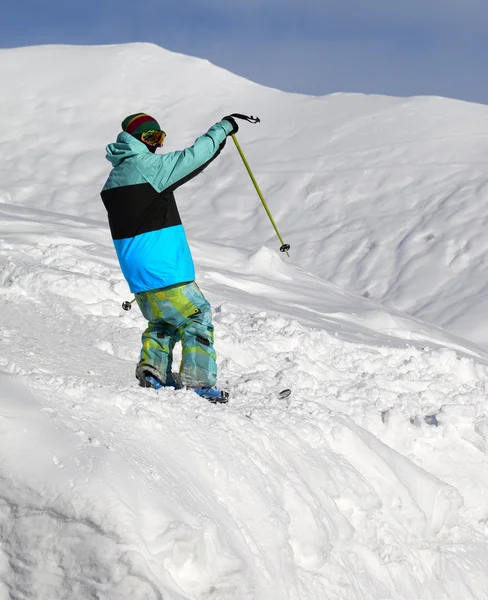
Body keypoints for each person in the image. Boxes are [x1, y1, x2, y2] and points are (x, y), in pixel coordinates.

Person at [101, 112, 239, 402]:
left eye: (160, 138)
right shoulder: (148, 167)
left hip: (138, 277)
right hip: (164, 268)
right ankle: (199, 383)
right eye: (151, 137)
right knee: (196, 316)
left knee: (163, 323)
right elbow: (194, 157)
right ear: (137, 140)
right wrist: (224, 128)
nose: (157, 145)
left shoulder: (114, 179)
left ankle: (153, 373)